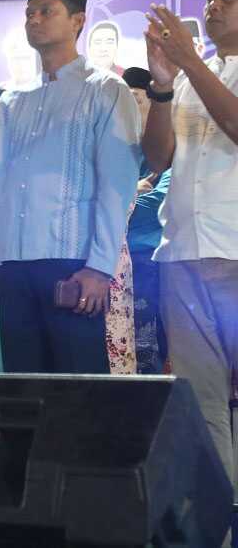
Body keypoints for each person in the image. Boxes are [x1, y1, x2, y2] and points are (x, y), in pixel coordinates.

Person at [0, 0, 142, 374]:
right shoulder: (10, 103)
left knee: (78, 391)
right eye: (29, 12)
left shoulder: (106, 91)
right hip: (13, 266)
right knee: (24, 388)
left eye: (47, 11)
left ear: (78, 21)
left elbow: (117, 187)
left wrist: (99, 268)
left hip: (73, 265)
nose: (35, 20)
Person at [140, 0, 238, 488]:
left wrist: (190, 64)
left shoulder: (200, 71)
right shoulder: (188, 80)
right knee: (201, 410)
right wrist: (160, 86)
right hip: (183, 257)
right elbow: (159, 158)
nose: (213, 7)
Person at [121, 67, 171, 374]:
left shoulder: (165, 151)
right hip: (108, 268)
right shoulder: (113, 149)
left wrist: (120, 200)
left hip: (147, 264)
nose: (130, 108)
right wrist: (132, 192)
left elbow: (156, 205)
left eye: (137, 99)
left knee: (148, 358)